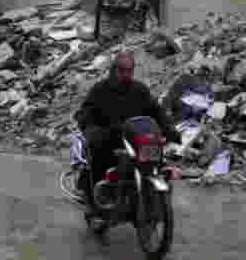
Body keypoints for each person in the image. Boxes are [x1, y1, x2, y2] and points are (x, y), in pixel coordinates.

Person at [75, 50, 181, 209]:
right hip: (110, 140)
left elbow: (156, 112)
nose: (126, 74)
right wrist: (91, 129)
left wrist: (169, 130)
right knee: (98, 155)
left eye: (129, 71)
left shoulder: (140, 90)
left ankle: (152, 196)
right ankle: (96, 202)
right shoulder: (100, 90)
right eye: (122, 70)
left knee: (156, 160)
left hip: (136, 141)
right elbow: (86, 113)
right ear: (114, 70)